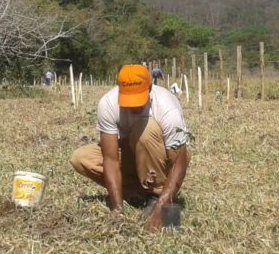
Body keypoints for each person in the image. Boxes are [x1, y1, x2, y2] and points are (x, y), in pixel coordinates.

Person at [69, 64, 191, 229]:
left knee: (145, 129)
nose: (133, 106)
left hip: (165, 155)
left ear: (149, 89)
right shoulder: (108, 103)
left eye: (138, 99)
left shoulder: (166, 107)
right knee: (81, 158)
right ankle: (136, 193)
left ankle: (156, 196)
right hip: (133, 153)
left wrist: (162, 204)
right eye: (128, 99)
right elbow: (110, 159)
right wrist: (117, 210)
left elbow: (179, 162)